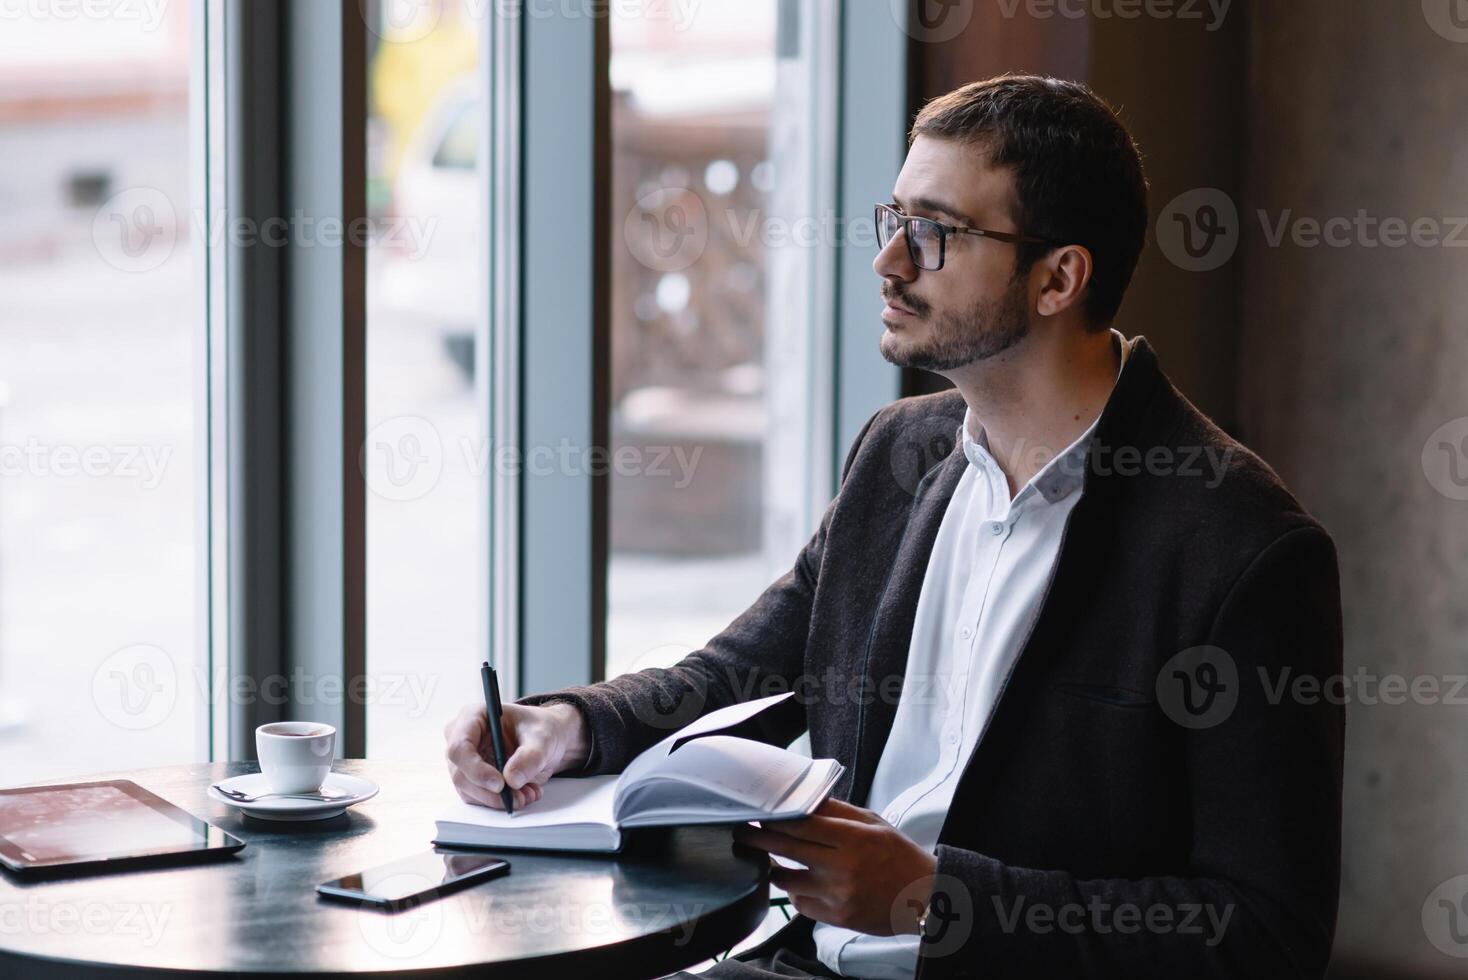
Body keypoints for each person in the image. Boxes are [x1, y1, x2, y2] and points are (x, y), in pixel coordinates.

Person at [444, 74, 1344, 979]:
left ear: (1059, 278)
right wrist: (570, 724)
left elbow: (1264, 933)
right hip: (805, 964)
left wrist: (938, 901)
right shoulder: (898, 455)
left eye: (936, 233)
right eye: (895, 217)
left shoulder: (1244, 551)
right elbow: (743, 669)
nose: (889, 262)